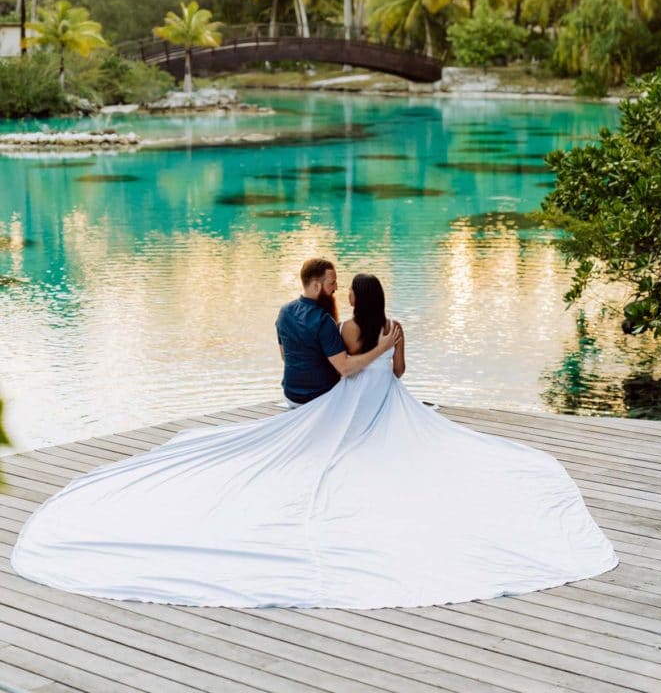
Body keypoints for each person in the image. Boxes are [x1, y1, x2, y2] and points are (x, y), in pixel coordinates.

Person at [10, 273, 618, 610]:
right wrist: (394, 344)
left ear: (354, 299)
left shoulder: (352, 328)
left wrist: (365, 348)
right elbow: (400, 374)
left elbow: (349, 367)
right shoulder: (393, 325)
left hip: (357, 395)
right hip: (390, 399)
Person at [276, 258, 400, 407]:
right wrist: (381, 348)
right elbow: (345, 368)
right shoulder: (324, 320)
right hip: (320, 400)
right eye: (332, 283)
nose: (336, 288)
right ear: (316, 286)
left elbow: (285, 356)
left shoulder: (284, 312)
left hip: (291, 397)